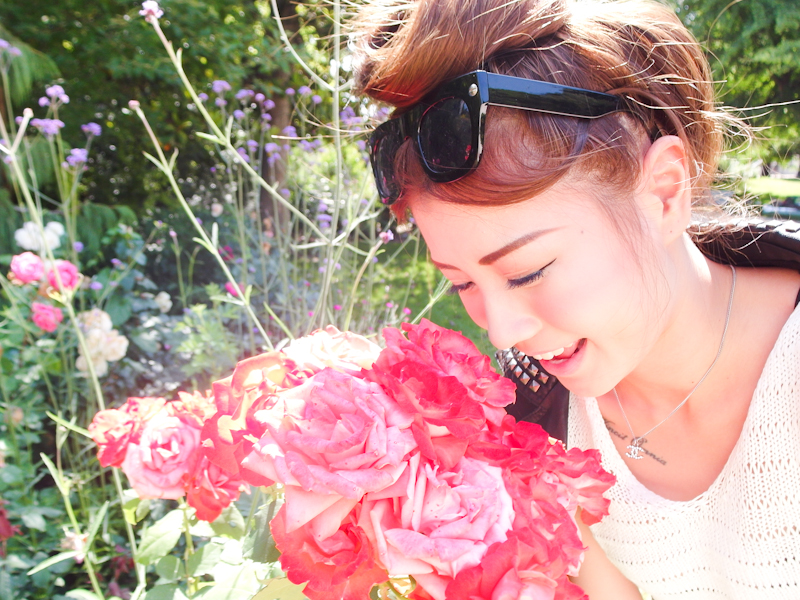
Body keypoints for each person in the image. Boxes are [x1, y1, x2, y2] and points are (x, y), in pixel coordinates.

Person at [351, 0, 800, 598]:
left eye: (528, 272)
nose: (503, 333)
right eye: (462, 283)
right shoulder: (532, 410)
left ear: (664, 193)